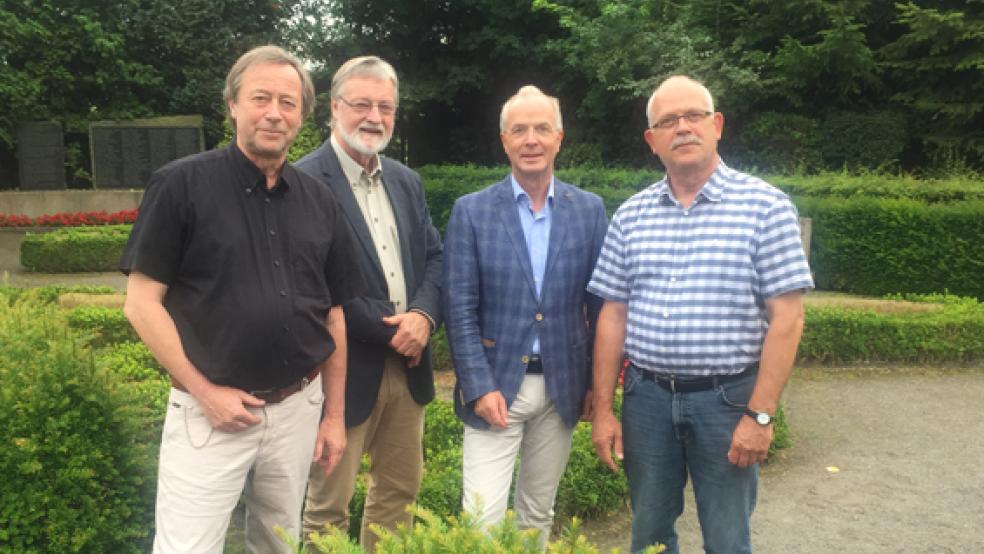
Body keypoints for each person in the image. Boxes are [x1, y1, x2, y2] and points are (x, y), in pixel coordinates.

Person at [120, 45, 363, 554]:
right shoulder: (180, 186)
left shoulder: (321, 201)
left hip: (297, 409)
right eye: (260, 98)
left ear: (302, 116)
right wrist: (206, 392)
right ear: (231, 104)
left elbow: (333, 314)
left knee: (278, 544)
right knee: (187, 547)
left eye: (288, 102)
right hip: (208, 415)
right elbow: (141, 303)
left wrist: (333, 416)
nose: (274, 113)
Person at [588, 75, 815, 553]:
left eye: (693, 116)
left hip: (727, 401)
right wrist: (604, 410)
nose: (683, 128)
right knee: (648, 533)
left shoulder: (766, 208)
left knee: (727, 537)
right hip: (646, 401)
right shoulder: (630, 216)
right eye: (668, 121)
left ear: (717, 125)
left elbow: (788, 319)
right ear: (652, 141)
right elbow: (612, 316)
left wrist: (761, 415)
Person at [442, 85, 608, 544]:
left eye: (541, 129)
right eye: (520, 130)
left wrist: (596, 383)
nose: (530, 139)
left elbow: (601, 308)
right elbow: (458, 306)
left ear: (559, 137)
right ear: (504, 141)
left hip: (562, 389)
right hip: (495, 388)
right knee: (481, 520)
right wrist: (478, 385)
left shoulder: (589, 211)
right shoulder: (471, 212)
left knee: (538, 512)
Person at [297, 56, 443, 552]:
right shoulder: (304, 182)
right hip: (341, 370)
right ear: (335, 107)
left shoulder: (406, 181)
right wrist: (396, 330)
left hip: (408, 366)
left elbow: (435, 258)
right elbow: (315, 285)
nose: (373, 117)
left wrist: (422, 317)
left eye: (385, 106)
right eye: (361, 104)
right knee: (327, 507)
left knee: (398, 494)